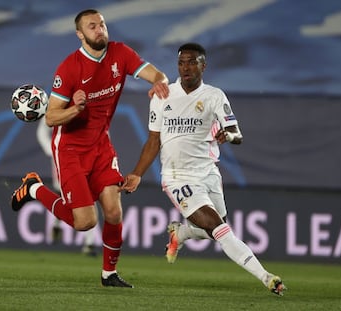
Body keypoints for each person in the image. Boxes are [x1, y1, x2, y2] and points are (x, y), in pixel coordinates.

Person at [11, 8, 169, 288]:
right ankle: (34, 187)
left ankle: (109, 274)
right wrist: (75, 108)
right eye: (92, 26)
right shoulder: (69, 67)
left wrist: (160, 84)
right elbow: (51, 117)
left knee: (114, 212)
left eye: (102, 24)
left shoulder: (121, 54)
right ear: (80, 34)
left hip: (101, 146)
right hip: (70, 149)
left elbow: (157, 74)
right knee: (84, 223)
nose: (100, 30)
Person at [121, 43, 286, 296]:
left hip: (208, 173)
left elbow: (236, 132)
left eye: (191, 62)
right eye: (181, 62)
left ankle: (183, 231)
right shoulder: (162, 95)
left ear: (203, 65)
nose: (185, 67)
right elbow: (153, 140)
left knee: (218, 228)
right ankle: (267, 278)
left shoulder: (214, 96)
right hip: (177, 177)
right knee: (220, 230)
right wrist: (137, 174)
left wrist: (228, 137)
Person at [36, 118, 97, 256]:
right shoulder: (58, 104)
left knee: (88, 197)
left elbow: (102, 132)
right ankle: (57, 225)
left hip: (87, 157)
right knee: (65, 197)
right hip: (64, 157)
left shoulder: (92, 105)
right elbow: (41, 131)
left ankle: (89, 243)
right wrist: (51, 150)